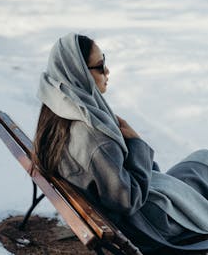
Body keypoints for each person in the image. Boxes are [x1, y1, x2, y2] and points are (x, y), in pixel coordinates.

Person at [32, 33, 208, 254]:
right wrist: (135, 143)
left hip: (129, 214)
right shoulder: (93, 137)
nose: (107, 71)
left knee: (201, 161)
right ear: (78, 73)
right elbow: (127, 200)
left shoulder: (58, 113)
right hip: (149, 224)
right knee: (203, 165)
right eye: (100, 65)